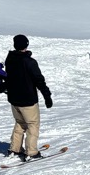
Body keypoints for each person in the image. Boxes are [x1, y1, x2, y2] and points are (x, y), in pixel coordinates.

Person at [4, 34, 54, 162]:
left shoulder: (10, 59)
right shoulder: (29, 62)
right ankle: (31, 152)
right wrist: (47, 96)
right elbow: (39, 80)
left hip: (14, 99)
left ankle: (15, 149)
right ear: (26, 45)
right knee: (32, 124)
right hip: (27, 100)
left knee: (20, 123)